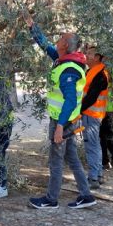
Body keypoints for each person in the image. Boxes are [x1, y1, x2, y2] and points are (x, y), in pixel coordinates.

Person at [23, 13, 95, 209]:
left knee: (56, 160)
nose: (59, 37)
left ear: (66, 45)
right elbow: (46, 45)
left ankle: (51, 199)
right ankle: (86, 195)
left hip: (63, 121)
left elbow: (70, 100)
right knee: (71, 157)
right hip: (68, 121)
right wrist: (32, 27)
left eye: (62, 38)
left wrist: (60, 127)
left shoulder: (69, 69)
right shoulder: (64, 59)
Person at [82, 45, 110, 188]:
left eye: (89, 53)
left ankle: (93, 178)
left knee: (92, 146)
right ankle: (98, 175)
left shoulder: (100, 74)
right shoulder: (93, 71)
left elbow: (91, 97)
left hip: (91, 115)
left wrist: (78, 110)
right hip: (93, 114)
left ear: (98, 57)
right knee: (95, 145)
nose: (86, 55)